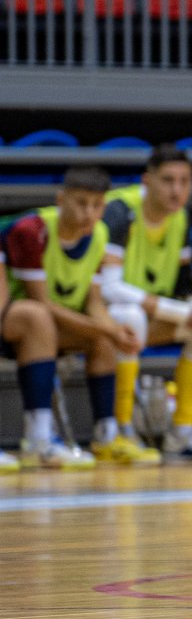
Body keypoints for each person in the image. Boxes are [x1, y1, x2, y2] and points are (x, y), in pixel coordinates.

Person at [99, 144, 192, 463]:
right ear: (146, 181)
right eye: (168, 180)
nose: (177, 190)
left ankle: (182, 435)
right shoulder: (119, 211)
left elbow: (182, 288)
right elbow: (109, 288)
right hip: (100, 315)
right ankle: (122, 431)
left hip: (148, 313)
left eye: (185, 181)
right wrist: (181, 312)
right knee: (129, 316)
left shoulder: (180, 219)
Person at [0, 166, 138, 470]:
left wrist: (111, 329)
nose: (89, 213)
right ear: (61, 199)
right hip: (15, 316)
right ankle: (38, 438)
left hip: (47, 324)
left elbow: (94, 302)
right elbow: (42, 302)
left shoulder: (99, 234)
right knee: (38, 317)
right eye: (80, 203)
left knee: (102, 336)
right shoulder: (32, 230)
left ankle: (106, 436)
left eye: (97, 205)